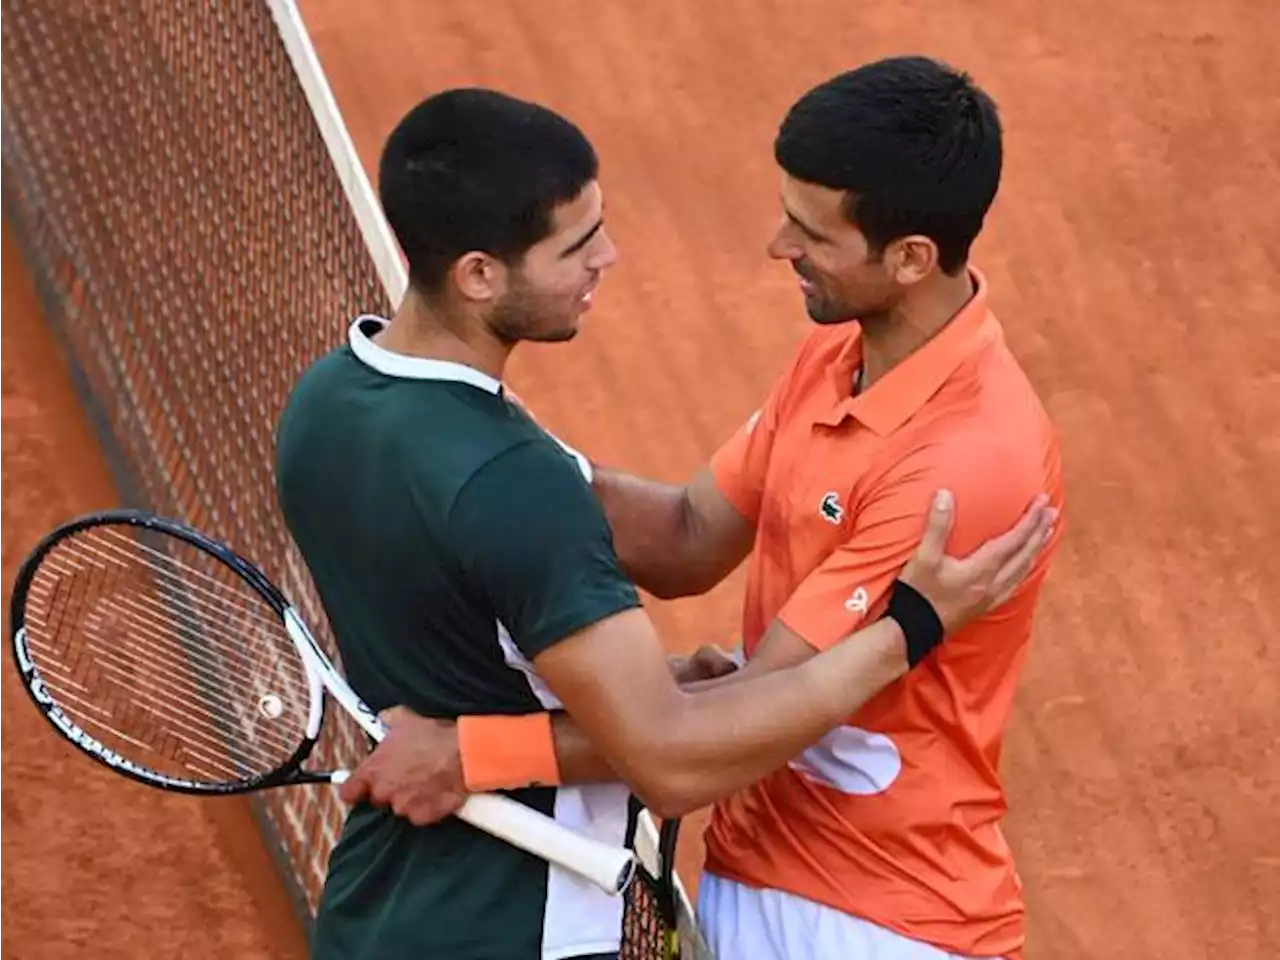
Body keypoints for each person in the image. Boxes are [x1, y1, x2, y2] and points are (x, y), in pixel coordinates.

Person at [274, 86, 1055, 960]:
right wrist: (907, 628)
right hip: (653, 890)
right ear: (481, 274)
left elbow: (688, 577)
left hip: (882, 915)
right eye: (577, 245)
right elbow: (679, 738)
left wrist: (480, 745)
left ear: (911, 257)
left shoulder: (331, 401)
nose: (778, 245)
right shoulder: (825, 361)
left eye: (812, 231)